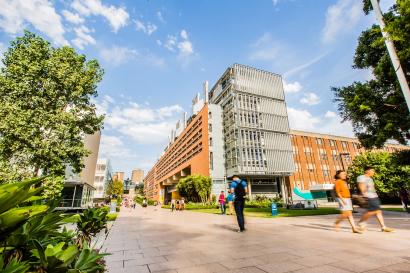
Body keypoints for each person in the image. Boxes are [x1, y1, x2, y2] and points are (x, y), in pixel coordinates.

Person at [357, 166, 394, 232]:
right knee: (372, 211)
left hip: (374, 196)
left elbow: (372, 188)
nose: (373, 172)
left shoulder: (370, 179)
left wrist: (376, 195)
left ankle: (383, 227)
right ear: (367, 171)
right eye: (372, 170)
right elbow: (362, 188)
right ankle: (361, 222)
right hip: (368, 197)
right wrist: (364, 196)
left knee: (378, 211)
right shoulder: (361, 177)